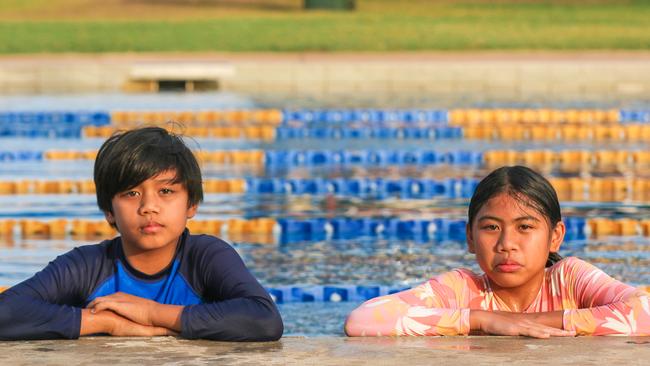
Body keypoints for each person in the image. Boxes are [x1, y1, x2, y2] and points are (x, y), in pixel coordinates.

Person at [0, 126, 283, 341]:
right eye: (131, 193)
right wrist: (107, 323)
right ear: (109, 210)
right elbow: (6, 312)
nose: (149, 207)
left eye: (166, 191)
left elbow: (264, 319)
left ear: (192, 204)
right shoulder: (87, 266)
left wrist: (151, 313)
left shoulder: (206, 257)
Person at [345, 165, 650, 338]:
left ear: (555, 237)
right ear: (470, 237)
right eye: (491, 227)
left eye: (525, 228)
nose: (506, 243)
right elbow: (362, 320)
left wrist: (534, 322)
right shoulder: (462, 288)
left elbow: (645, 312)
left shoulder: (569, 279)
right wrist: (482, 319)